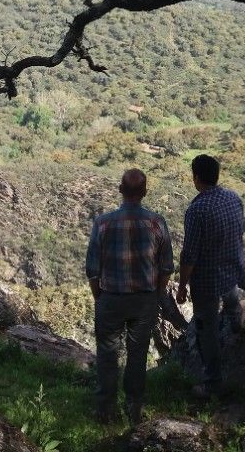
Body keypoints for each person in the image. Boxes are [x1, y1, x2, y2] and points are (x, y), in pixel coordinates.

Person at [85, 169, 174, 426]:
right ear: (145, 192)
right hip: (144, 299)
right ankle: (134, 408)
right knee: (138, 354)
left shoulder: (103, 223)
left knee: (107, 353)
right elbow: (166, 267)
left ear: (120, 190)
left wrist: (99, 297)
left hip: (110, 297)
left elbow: (93, 269)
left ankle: (105, 410)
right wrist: (155, 295)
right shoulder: (157, 223)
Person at [176, 154, 245, 399]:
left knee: (207, 329)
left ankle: (212, 384)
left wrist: (182, 286)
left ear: (196, 177)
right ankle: (238, 328)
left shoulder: (197, 210)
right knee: (232, 302)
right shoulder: (233, 198)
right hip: (233, 269)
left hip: (207, 280)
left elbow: (190, 255)